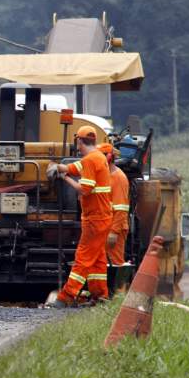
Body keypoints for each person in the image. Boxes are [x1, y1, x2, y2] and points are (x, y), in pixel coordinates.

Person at [47, 126, 112, 306]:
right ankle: (100, 295)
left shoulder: (91, 160)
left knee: (83, 258)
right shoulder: (97, 157)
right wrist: (58, 166)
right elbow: (74, 167)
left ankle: (66, 297)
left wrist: (64, 178)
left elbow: (84, 189)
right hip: (101, 216)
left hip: (95, 218)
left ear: (79, 141)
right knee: (98, 259)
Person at [100, 144, 129, 264]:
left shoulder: (119, 178)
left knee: (114, 263)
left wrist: (114, 232)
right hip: (103, 227)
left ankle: (118, 284)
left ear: (109, 157)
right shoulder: (103, 175)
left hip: (113, 228)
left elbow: (121, 208)